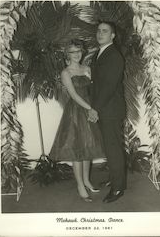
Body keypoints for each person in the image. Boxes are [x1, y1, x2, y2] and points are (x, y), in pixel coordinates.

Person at [49, 39, 105, 203]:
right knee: (77, 150)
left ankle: (87, 181)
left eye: (79, 51)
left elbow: (94, 90)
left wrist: (93, 108)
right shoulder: (66, 73)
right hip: (76, 112)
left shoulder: (87, 69)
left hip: (90, 110)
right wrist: (89, 109)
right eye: (73, 52)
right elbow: (73, 95)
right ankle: (80, 185)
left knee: (88, 147)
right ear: (67, 54)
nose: (77, 54)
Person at [89, 21, 127, 203]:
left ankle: (118, 188)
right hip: (106, 108)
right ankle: (115, 178)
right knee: (110, 148)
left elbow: (109, 87)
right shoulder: (100, 53)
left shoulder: (113, 55)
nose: (100, 33)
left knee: (113, 150)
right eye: (98, 30)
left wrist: (95, 108)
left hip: (110, 109)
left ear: (113, 35)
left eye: (105, 31)